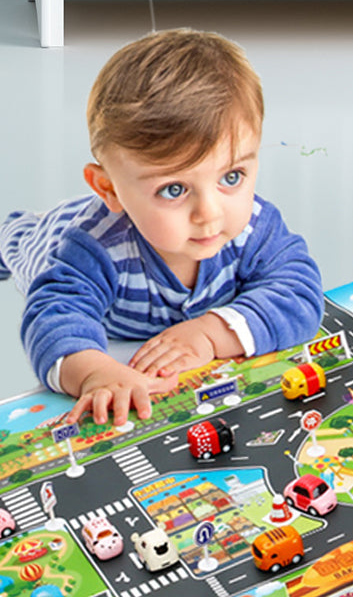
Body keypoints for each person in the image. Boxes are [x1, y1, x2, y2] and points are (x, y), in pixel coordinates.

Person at [0, 29, 324, 427]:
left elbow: (299, 293)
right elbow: (52, 316)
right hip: (47, 238)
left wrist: (210, 334)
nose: (209, 213)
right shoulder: (91, 249)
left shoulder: (256, 227)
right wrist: (96, 372)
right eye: (174, 189)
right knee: (19, 242)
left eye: (232, 177)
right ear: (109, 189)